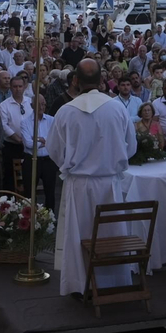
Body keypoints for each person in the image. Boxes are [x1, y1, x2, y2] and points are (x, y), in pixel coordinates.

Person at [50, 59, 138, 297]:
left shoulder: (66, 111)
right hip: (109, 184)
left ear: (76, 81)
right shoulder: (117, 108)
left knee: (80, 234)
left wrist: (75, 165)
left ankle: (80, 284)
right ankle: (113, 282)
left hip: (79, 185)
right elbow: (130, 147)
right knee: (111, 233)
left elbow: (54, 150)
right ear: (101, 80)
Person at [17, 94, 59, 210]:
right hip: (31, 160)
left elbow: (55, 140)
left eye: (43, 104)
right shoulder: (25, 122)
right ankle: (30, 216)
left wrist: (38, 139)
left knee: (50, 192)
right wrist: (44, 141)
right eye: (38, 104)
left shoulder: (51, 120)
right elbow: (28, 144)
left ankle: (50, 216)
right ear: (32, 106)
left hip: (48, 160)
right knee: (30, 192)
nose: (41, 107)